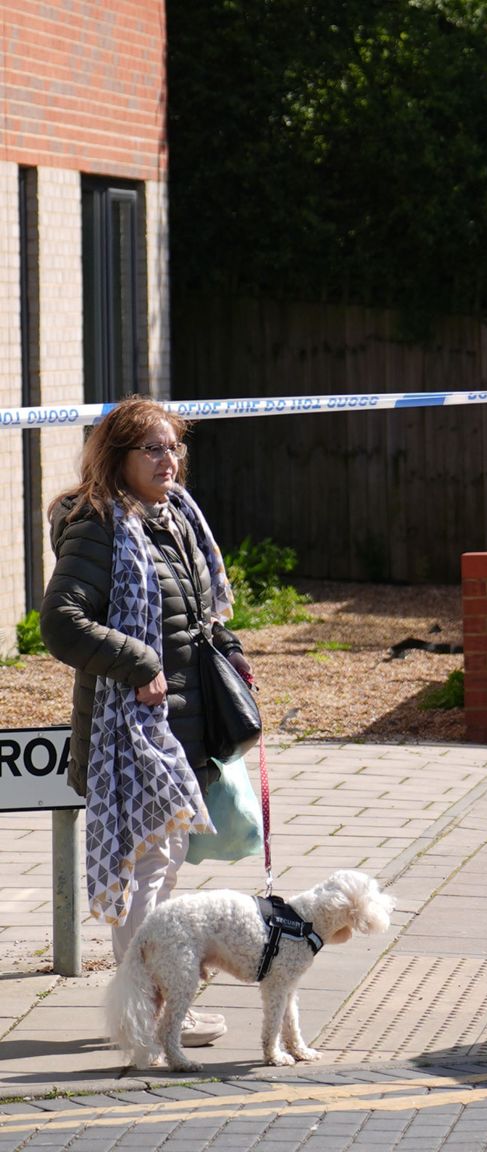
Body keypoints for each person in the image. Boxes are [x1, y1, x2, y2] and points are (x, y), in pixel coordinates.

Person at [40, 396, 256, 1051]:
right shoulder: (100, 525)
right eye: (153, 449)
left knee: (164, 868)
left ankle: (158, 1006)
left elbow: (191, 616)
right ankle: (146, 1014)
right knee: (145, 872)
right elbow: (61, 622)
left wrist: (228, 652)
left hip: (177, 726)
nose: (169, 460)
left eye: (174, 447)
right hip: (127, 734)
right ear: (119, 458)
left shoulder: (174, 516)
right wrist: (137, 660)